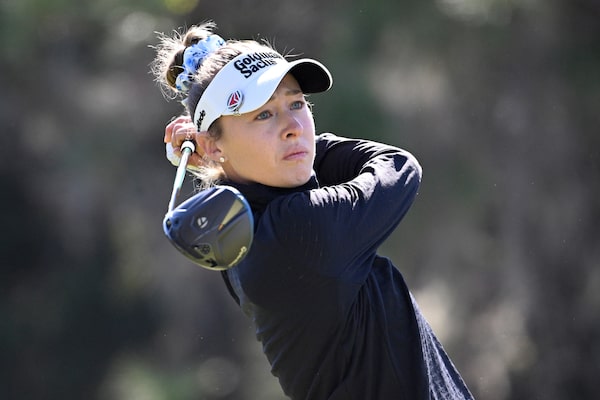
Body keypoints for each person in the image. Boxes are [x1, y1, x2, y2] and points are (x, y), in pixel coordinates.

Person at [151, 21, 475, 400]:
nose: (293, 126)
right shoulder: (299, 229)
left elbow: (248, 174)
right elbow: (398, 166)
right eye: (263, 114)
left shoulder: (238, 225)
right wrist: (297, 147)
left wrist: (227, 151)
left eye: (297, 104)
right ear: (212, 145)